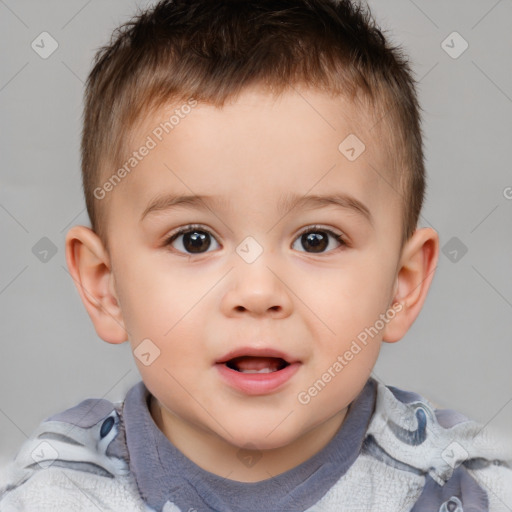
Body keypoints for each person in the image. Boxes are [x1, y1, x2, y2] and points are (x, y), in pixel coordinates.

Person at [1, 0, 511, 510]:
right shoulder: (54, 496)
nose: (258, 292)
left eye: (317, 239)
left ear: (402, 284)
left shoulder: (463, 492)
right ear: (104, 284)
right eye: (194, 240)